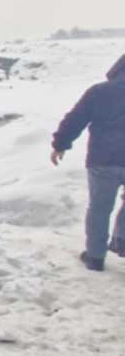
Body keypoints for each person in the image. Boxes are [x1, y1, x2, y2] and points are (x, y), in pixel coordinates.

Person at [51, 53, 125, 271]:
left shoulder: (99, 92)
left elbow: (76, 118)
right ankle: (122, 239)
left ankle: (95, 257)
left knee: (99, 208)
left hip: (103, 160)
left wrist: (60, 144)